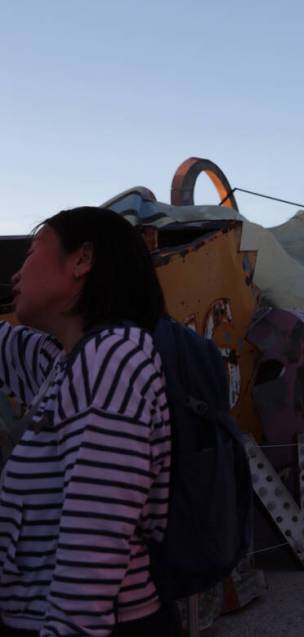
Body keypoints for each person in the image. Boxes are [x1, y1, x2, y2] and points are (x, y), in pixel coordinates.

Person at [0, 207, 177, 635]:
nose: (16, 275)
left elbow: (94, 540)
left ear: (82, 260)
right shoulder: (66, 362)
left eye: (31, 253)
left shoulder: (112, 357)